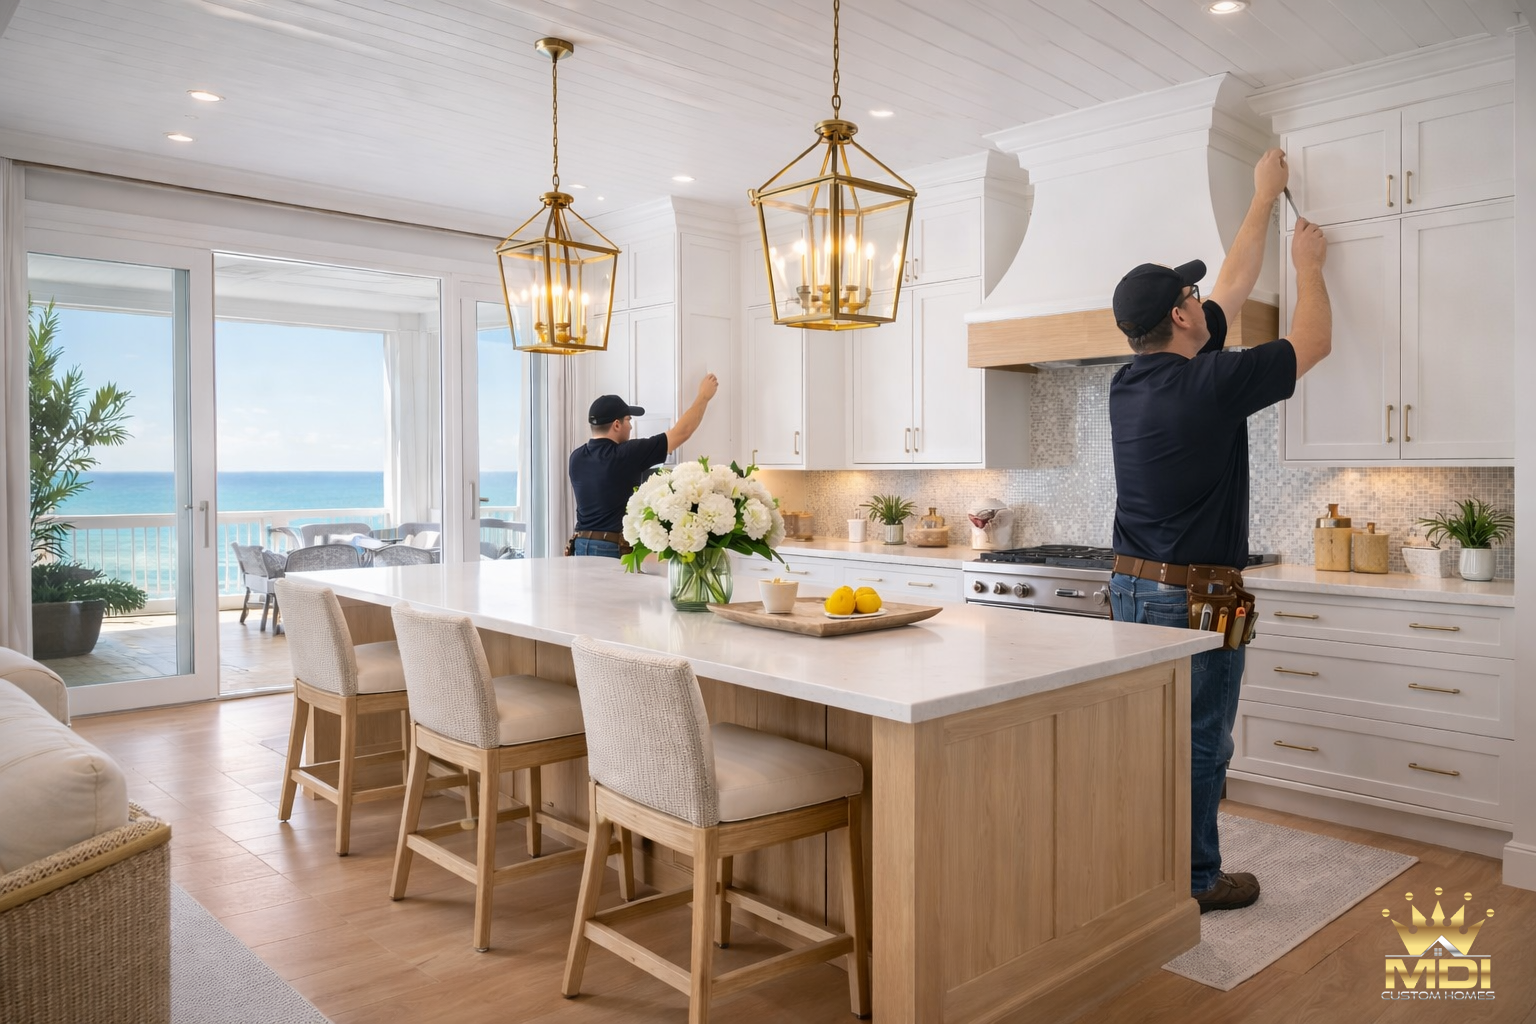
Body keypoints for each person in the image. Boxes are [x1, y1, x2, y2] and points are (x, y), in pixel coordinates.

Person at [1107, 149, 1331, 913]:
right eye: (1191, 295)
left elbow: (1228, 284)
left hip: (1131, 590)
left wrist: (1263, 200)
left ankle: (1143, 865)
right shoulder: (1211, 384)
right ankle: (1197, 881)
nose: (1205, 299)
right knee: (1204, 742)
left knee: (1147, 740)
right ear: (1178, 315)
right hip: (1198, 600)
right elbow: (1313, 342)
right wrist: (1309, 266)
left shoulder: (1129, 382)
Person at [567, 373, 720, 557]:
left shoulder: (576, 457)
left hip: (580, 545)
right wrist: (704, 396)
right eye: (628, 420)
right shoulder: (626, 454)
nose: (631, 426)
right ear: (617, 424)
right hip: (610, 547)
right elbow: (682, 432)